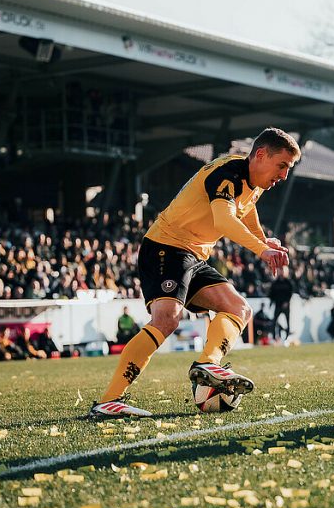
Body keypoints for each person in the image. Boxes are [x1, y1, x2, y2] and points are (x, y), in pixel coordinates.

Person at [89, 128, 300, 418]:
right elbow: (225, 220)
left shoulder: (255, 182)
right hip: (165, 245)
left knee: (239, 309)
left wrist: (264, 239)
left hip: (193, 255)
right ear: (261, 155)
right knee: (166, 319)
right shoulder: (228, 172)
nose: (284, 175)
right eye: (282, 166)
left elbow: (247, 211)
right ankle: (109, 400)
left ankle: (208, 365)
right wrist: (260, 250)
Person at [268, 268, 294, 342]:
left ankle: (287, 337)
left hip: (286, 305)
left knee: (287, 322)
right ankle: (274, 337)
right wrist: (272, 302)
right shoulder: (275, 283)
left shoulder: (288, 282)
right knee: (274, 322)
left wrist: (287, 302)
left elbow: (290, 293)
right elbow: (272, 294)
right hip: (278, 304)